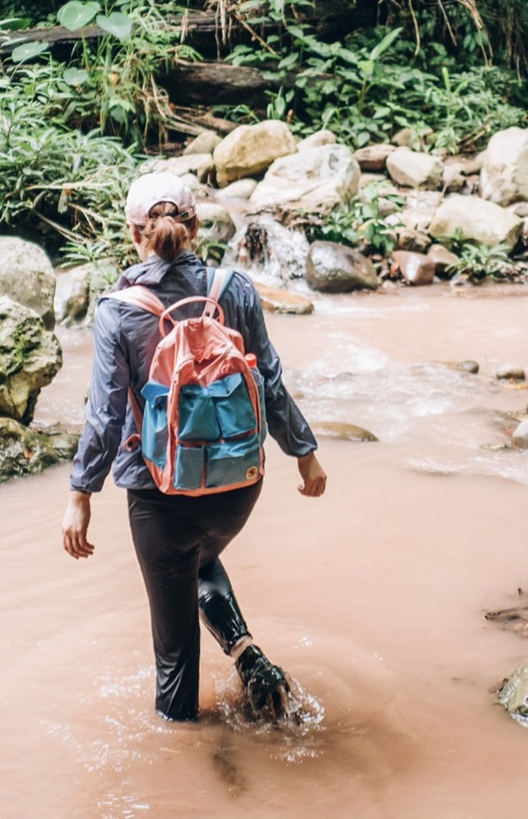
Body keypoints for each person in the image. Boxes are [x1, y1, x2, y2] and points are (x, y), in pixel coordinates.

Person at [61, 171, 328, 723]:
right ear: (197, 227)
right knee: (202, 556)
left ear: (134, 233)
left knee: (175, 656)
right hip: (237, 485)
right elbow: (270, 381)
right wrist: (303, 453)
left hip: (160, 497)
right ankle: (248, 655)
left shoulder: (118, 310)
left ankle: (189, 767)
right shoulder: (235, 290)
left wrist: (81, 493)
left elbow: (107, 414)